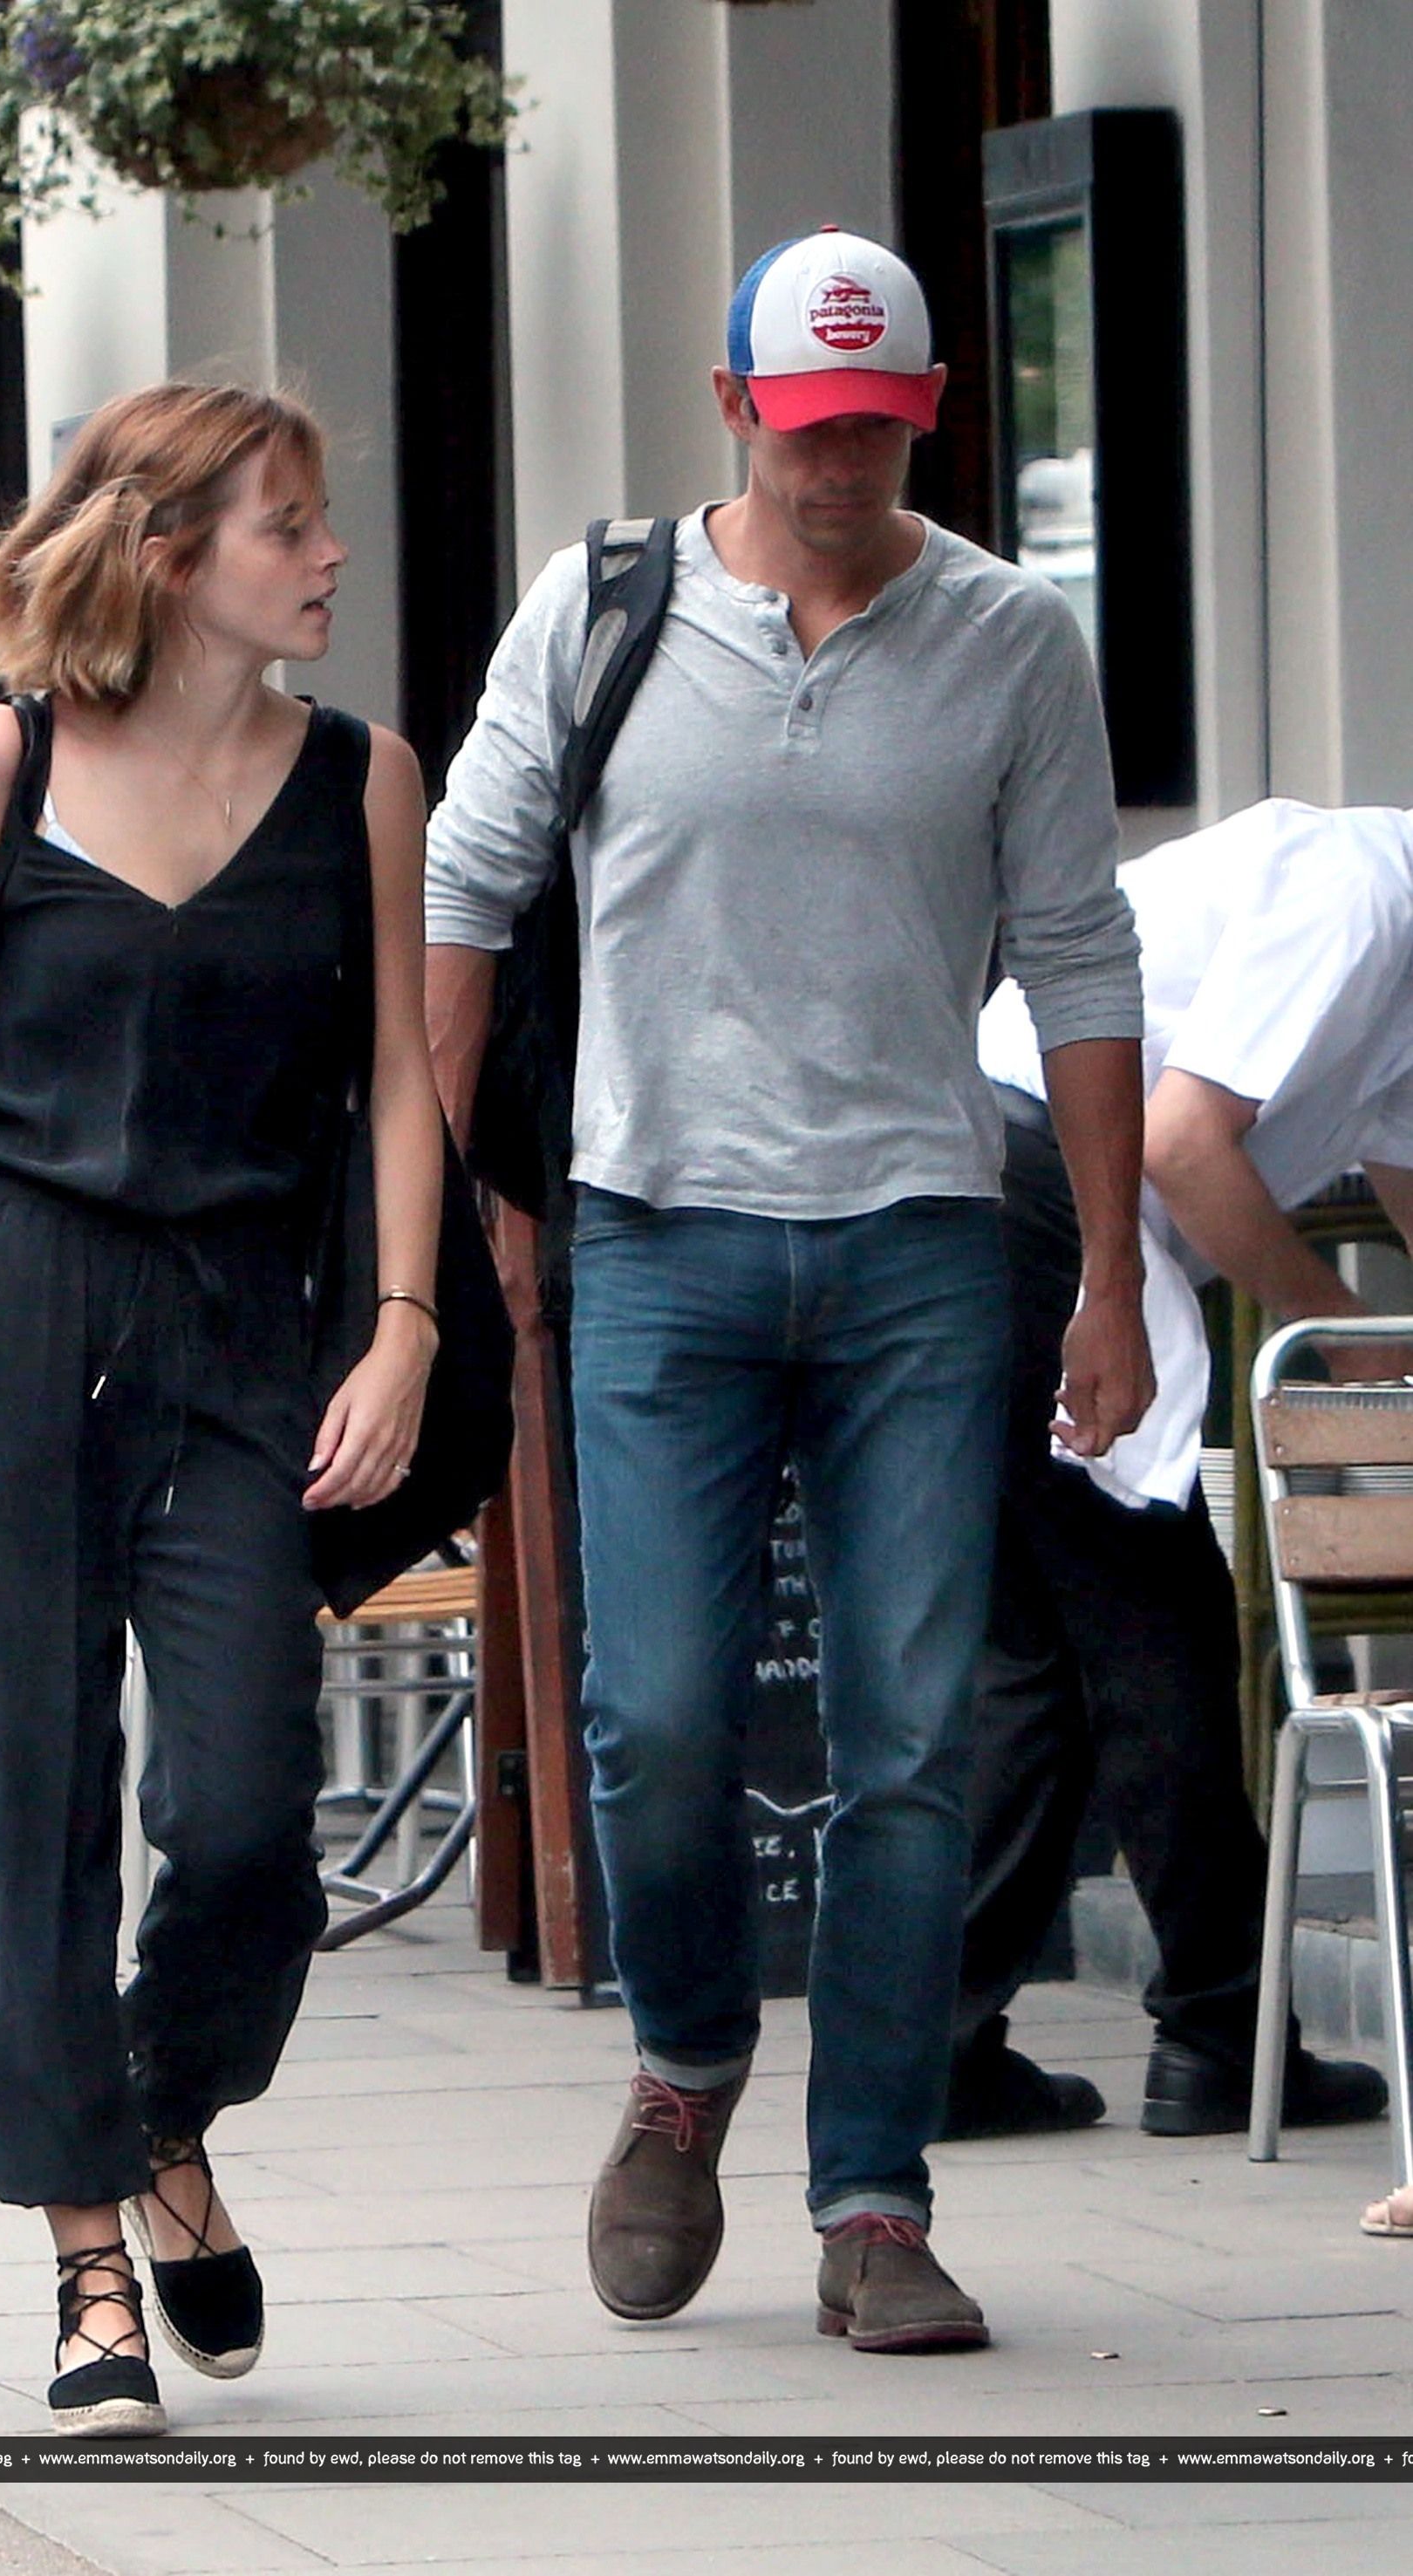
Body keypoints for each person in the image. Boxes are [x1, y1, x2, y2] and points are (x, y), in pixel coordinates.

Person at [423, 228, 1152, 2353]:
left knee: (908, 1739)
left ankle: (874, 2197)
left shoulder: (1010, 638)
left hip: (921, 1242)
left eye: (881, 432)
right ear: (736, 407)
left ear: (928, 418)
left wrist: (1111, 1274)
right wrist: (442, 1216)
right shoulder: (602, 609)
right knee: (653, 1716)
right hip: (655, 1234)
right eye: (810, 428)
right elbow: (464, 884)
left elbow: (1080, 954)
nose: (842, 468)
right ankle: (682, 2063)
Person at [0, 381, 442, 2434]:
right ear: (168, 554)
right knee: (36, 1802)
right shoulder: (6, 759)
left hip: (242, 1324)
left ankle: (160, 2109)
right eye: (287, 525)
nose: (328, 555)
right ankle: (86, 2265)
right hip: (9, 1303)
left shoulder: (363, 779)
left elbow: (399, 1076)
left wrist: (403, 1323)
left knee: (245, 1809)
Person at [945, 796, 1410, 2142]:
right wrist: (1347, 1343)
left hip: (999, 1180)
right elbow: (1181, 1143)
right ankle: (1214, 2035)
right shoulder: (1358, 896)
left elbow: (1401, 1167)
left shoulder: (1390, 951)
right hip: (1030, 1189)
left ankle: (943, 2044)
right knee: (1155, 1628)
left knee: (1040, 1653)